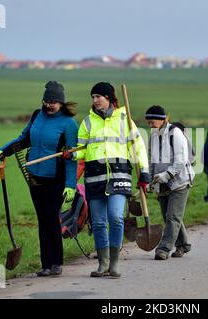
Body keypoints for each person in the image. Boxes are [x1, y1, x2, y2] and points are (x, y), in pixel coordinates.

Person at [0, 81, 79, 276]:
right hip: (34, 177)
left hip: (55, 179)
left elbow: (71, 157)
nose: (49, 105)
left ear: (62, 103)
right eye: (47, 101)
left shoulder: (68, 124)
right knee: (43, 219)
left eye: (54, 102)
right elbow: (23, 139)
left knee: (51, 217)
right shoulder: (37, 115)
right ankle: (45, 264)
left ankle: (56, 262)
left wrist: (70, 185)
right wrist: (4, 150)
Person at [68, 82, 150, 277]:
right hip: (95, 179)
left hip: (119, 176)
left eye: (98, 96)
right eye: (93, 97)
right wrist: (70, 155)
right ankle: (102, 264)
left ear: (109, 98)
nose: (95, 100)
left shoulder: (125, 119)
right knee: (97, 222)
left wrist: (144, 173)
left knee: (115, 217)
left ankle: (114, 264)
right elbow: (82, 151)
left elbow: (138, 148)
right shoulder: (87, 122)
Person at [146, 105, 195, 260]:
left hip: (179, 182)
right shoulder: (153, 136)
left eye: (152, 120)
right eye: (149, 121)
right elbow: (151, 160)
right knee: (168, 216)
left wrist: (165, 175)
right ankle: (183, 245)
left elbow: (181, 161)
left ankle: (164, 248)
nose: (150, 124)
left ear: (161, 120)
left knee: (172, 216)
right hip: (161, 183)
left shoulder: (176, 134)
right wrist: (149, 179)